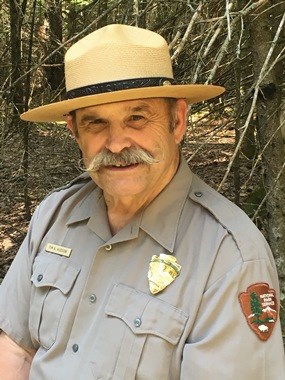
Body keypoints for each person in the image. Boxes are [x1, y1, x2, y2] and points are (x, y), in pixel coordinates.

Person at [0, 23, 284, 380]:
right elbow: (15, 349)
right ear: (74, 132)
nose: (117, 143)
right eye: (96, 123)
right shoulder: (55, 215)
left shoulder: (228, 256)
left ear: (177, 121)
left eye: (136, 117)